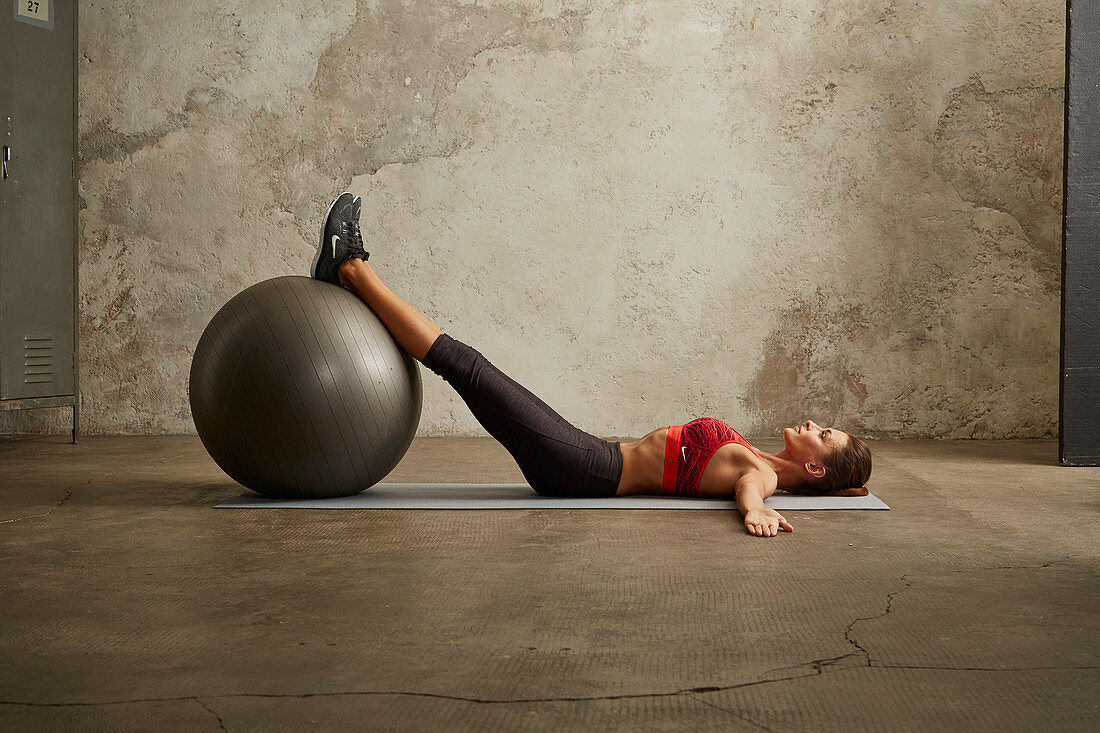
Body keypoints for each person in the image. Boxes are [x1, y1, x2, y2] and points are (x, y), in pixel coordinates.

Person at [312, 193, 872, 537]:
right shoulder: (761, 456)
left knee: (466, 368)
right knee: (469, 369)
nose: (814, 424)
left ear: (817, 469)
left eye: (824, 435)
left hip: (583, 468)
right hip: (590, 454)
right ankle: (349, 271)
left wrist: (757, 515)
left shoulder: (765, 477)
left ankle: (351, 269)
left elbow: (751, 492)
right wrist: (849, 487)